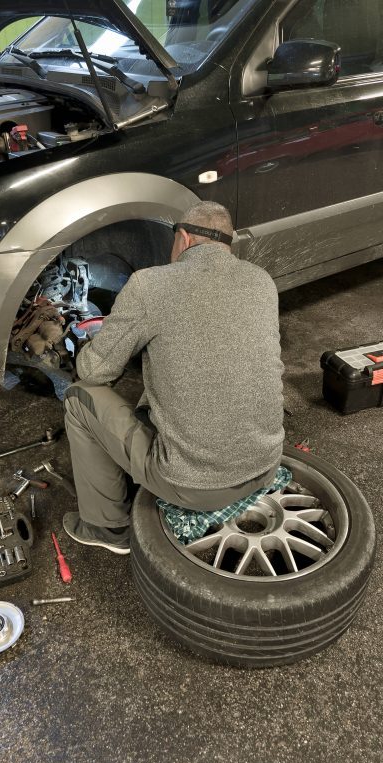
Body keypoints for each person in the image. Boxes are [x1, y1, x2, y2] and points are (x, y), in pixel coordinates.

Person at [61, 201, 285, 554]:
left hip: (193, 485)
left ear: (181, 238)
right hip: (265, 464)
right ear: (228, 243)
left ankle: (106, 527)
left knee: (79, 397)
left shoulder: (150, 285)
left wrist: (89, 342)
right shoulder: (262, 282)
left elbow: (95, 372)